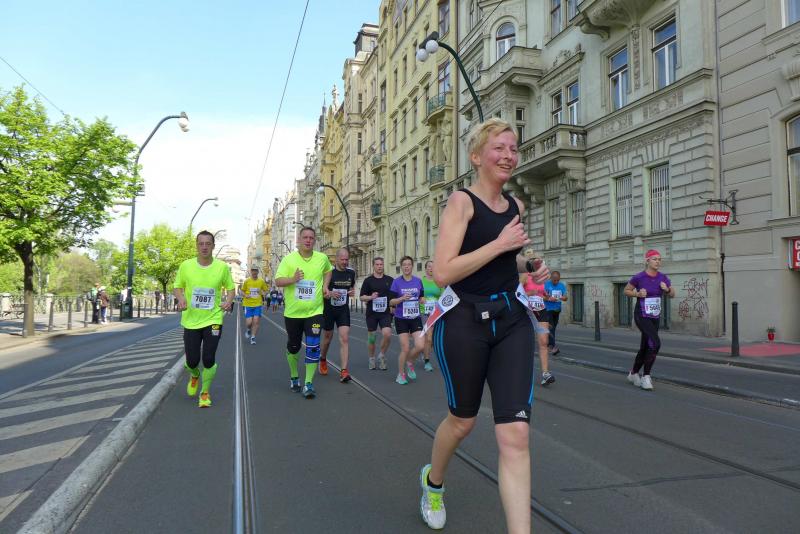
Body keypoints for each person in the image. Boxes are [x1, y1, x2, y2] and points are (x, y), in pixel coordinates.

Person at [418, 118, 549, 533]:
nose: (509, 155)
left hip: (510, 321)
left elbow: (505, 260)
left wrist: (530, 264)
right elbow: (443, 272)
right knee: (462, 422)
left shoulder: (516, 206)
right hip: (464, 322)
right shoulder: (462, 202)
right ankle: (433, 482)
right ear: (476, 157)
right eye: (499, 148)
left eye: (513, 148)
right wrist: (500, 244)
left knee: (516, 435)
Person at [173, 230, 236, 408]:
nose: (204, 247)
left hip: (213, 319)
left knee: (208, 358)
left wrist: (228, 301)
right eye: (201, 243)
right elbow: (177, 287)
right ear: (196, 246)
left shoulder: (221, 267)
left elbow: (231, 289)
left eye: (208, 244)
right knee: (192, 361)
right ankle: (194, 375)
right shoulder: (186, 266)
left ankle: (205, 393)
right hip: (191, 320)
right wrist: (181, 298)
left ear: (213, 246)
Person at [274, 227, 332, 399]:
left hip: (315, 312)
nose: (308, 240)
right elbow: (278, 281)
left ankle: (308, 383)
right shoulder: (288, 260)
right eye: (305, 237)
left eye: (311, 238)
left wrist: (325, 286)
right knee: (294, 346)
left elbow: (328, 270)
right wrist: (293, 279)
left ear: (315, 240)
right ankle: (294, 376)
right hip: (293, 313)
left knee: (313, 346)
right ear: (298, 240)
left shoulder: (322, 258)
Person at [624, 250, 675, 391]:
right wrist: (637, 293)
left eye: (659, 259)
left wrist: (667, 289)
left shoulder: (662, 277)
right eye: (654, 259)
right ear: (647, 261)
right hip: (641, 315)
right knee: (655, 343)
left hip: (654, 316)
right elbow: (626, 290)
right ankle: (646, 376)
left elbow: (672, 294)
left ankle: (633, 373)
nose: (658, 261)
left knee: (646, 346)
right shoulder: (639, 277)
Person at [320, 248, 356, 382]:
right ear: (336, 259)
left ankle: (344, 371)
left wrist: (351, 292)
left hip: (343, 310)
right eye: (342, 259)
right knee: (327, 338)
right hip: (329, 309)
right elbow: (322, 292)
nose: (345, 262)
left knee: (345, 338)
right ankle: (323, 359)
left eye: (347, 259)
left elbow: (351, 288)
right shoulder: (329, 273)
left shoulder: (351, 273)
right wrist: (329, 294)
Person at [389, 256, 425, 385]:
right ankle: (401, 374)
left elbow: (421, 297)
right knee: (405, 348)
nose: (406, 267)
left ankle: (410, 361)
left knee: (420, 345)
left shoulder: (418, 281)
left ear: (412, 266)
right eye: (404, 264)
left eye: (409, 264)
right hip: (401, 318)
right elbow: (391, 302)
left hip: (415, 317)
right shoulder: (396, 282)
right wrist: (401, 298)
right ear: (401, 266)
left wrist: (422, 300)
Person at [359, 257, 394, 371]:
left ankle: (382, 355)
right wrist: (371, 297)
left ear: (383, 265)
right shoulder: (368, 281)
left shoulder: (390, 280)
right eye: (377, 264)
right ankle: (371, 358)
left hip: (385, 313)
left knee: (387, 334)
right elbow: (361, 297)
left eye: (381, 264)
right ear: (373, 266)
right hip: (372, 313)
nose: (379, 266)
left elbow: (393, 296)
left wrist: (393, 307)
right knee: (372, 338)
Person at [523, 271, 555, 386]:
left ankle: (545, 374)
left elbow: (542, 294)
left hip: (540, 310)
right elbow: (515, 294)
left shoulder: (541, 278)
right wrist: (529, 293)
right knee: (524, 342)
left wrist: (549, 297)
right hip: (526, 311)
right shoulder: (524, 275)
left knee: (544, 342)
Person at [421, 260, 441, 372]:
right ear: (426, 268)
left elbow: (443, 296)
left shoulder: (439, 282)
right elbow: (417, 295)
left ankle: (425, 352)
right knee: (428, 337)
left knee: (432, 339)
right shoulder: (421, 282)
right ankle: (427, 362)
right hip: (424, 312)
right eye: (429, 266)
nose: (431, 269)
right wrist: (421, 299)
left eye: (433, 267)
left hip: (436, 313)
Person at [240, 267, 269, 345]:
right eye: (253, 270)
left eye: (255, 270)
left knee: (256, 321)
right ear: (251, 271)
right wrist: (245, 295)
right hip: (248, 304)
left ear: (258, 272)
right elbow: (242, 291)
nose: (254, 272)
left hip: (258, 304)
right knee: (249, 323)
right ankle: (248, 329)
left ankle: (253, 337)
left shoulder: (261, 281)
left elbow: (266, 291)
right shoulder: (247, 281)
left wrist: (262, 293)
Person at [544, 271, 568, 355]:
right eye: (554, 280)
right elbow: (541, 297)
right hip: (548, 309)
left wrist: (563, 298)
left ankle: (548, 343)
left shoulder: (561, 285)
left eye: (558, 280)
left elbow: (566, 298)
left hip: (557, 309)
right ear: (551, 278)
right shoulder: (546, 285)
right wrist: (548, 298)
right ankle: (553, 347)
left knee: (553, 327)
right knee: (551, 327)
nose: (556, 282)